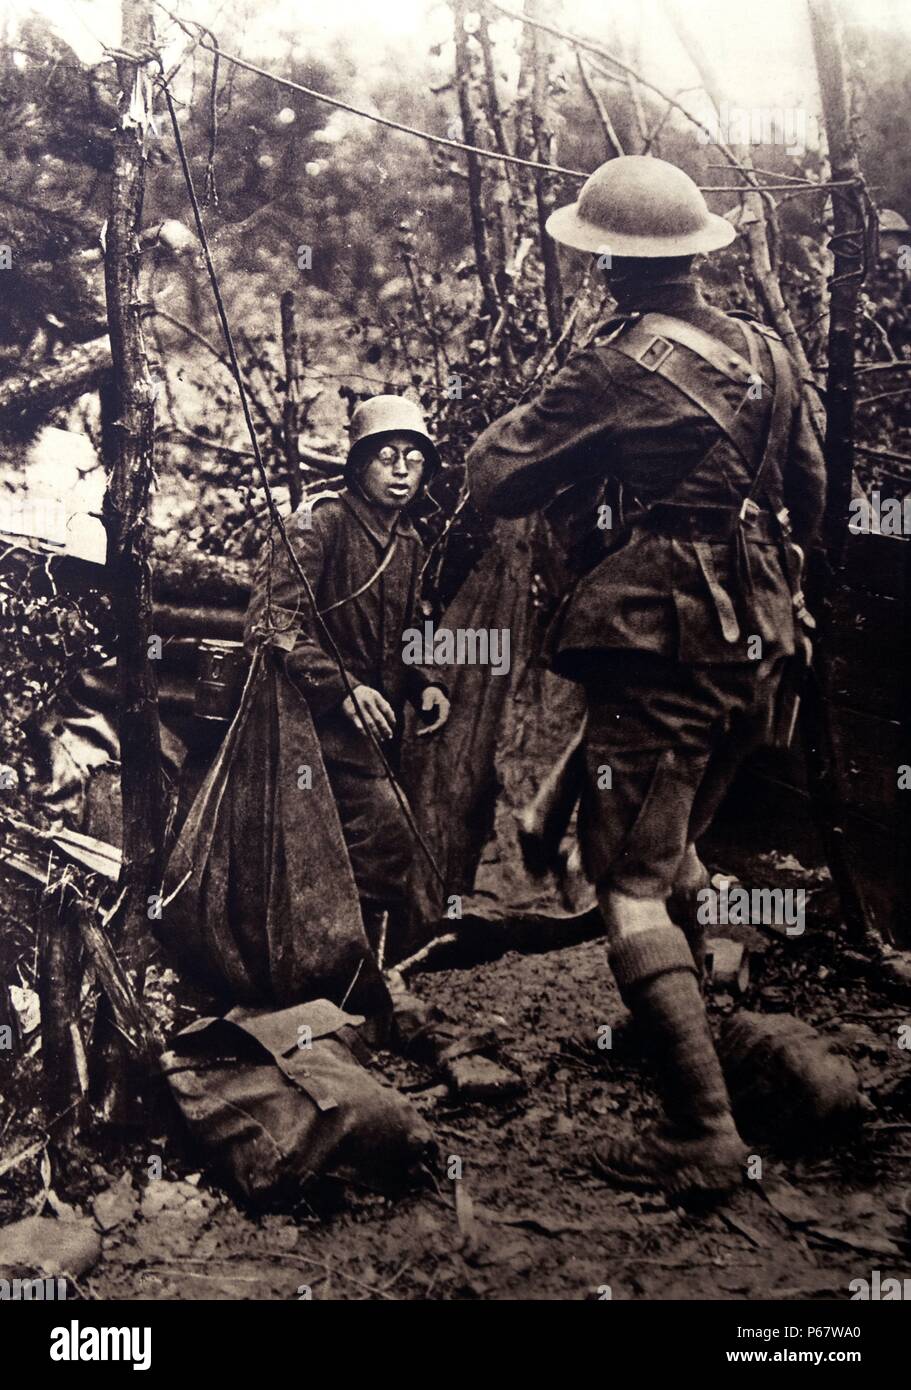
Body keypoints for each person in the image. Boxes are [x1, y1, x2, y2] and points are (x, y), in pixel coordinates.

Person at [466, 155, 826, 1196]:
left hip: (671, 638)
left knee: (626, 882)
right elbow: (805, 490)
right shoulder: (768, 351)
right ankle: (703, 1035)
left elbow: (495, 473)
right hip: (761, 641)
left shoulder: (617, 364)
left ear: (608, 267)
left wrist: (577, 424)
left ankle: (702, 1129)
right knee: (669, 845)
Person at [245, 394, 450, 985]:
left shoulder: (409, 543)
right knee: (386, 834)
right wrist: (342, 690)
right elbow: (271, 627)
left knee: (381, 844)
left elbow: (410, 629)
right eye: (387, 456)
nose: (402, 470)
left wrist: (426, 683)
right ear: (358, 465)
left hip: (371, 736)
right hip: (302, 727)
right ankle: (337, 977)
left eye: (414, 458)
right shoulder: (320, 523)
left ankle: (356, 973)